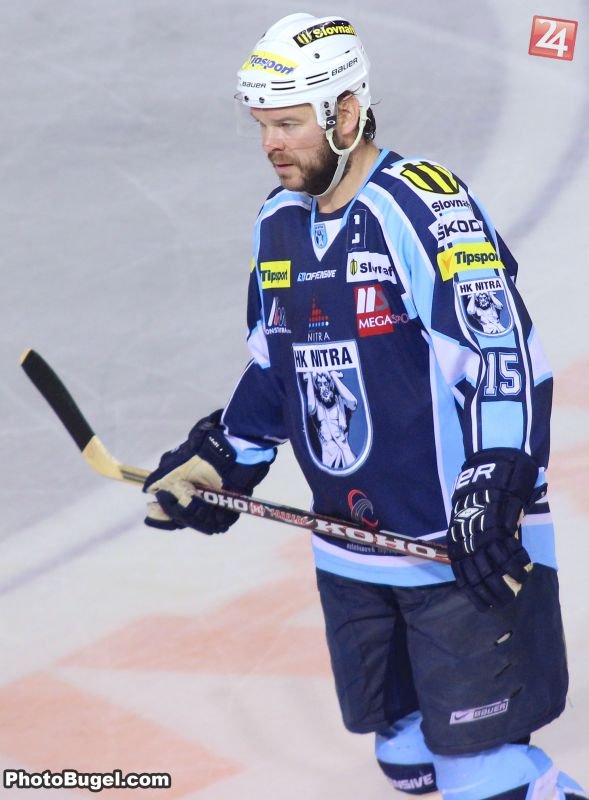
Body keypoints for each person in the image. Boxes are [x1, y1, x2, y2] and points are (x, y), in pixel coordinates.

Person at [142, 13, 586, 800]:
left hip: (458, 546)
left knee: (480, 772)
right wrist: (224, 457)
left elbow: (502, 356)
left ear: (346, 113)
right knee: (407, 759)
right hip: (351, 551)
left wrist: (495, 481)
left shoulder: (423, 206)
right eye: (261, 125)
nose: (270, 143)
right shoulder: (277, 222)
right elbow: (275, 367)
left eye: (288, 124)